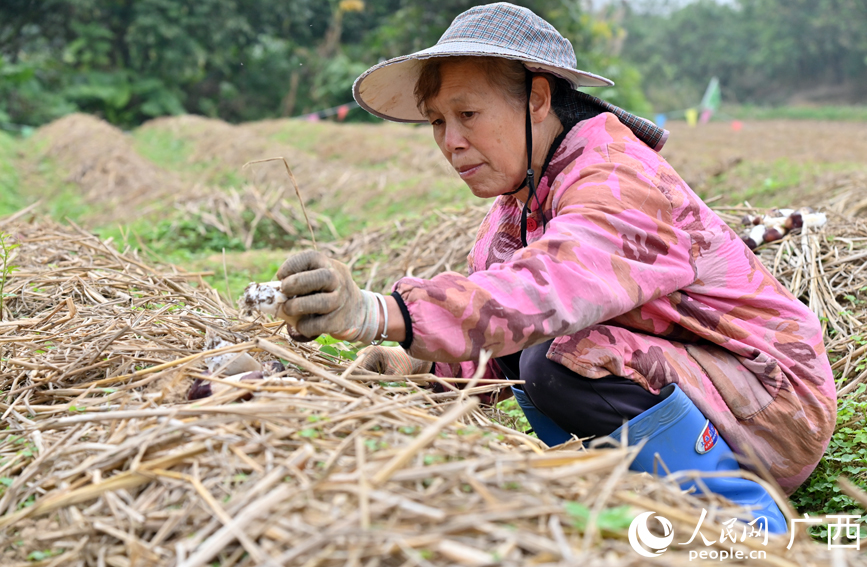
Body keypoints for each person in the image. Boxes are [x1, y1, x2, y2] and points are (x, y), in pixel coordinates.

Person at [274, 3, 835, 532]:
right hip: (695, 386)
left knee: (561, 356)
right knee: (534, 355)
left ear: (537, 100)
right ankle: (633, 504)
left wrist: (380, 312)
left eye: (468, 114)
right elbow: (497, 341)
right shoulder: (515, 210)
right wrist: (415, 366)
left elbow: (546, 290)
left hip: (774, 400)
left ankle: (744, 521)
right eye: (437, 122)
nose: (452, 142)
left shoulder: (617, 178)